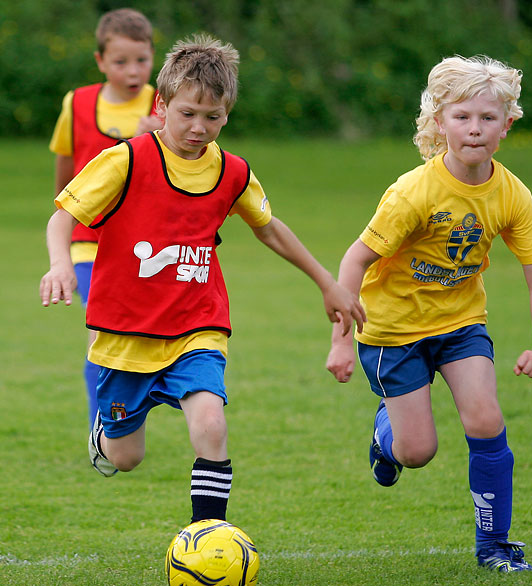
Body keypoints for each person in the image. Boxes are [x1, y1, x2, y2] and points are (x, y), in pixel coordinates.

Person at [40, 34, 365, 526]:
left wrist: (326, 281)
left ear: (227, 115)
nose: (198, 128)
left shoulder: (231, 172)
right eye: (187, 114)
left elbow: (269, 229)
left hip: (198, 323)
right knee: (125, 457)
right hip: (126, 328)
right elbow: (63, 215)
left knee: (211, 425)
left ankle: (208, 536)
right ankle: (105, 434)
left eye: (212, 118)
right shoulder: (127, 160)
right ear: (162, 104)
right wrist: (61, 264)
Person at [326, 55, 532, 572]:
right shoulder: (413, 193)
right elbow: (355, 260)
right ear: (438, 122)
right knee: (417, 452)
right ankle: (386, 437)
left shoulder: (513, 194)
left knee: (486, 417)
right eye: (461, 117)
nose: (474, 128)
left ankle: (495, 547)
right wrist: (342, 342)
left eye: (487, 118)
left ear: (506, 125)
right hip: (391, 332)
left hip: (460, 325)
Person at [49, 8, 162, 430]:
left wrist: (155, 140)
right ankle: (103, 425)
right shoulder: (76, 103)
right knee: (100, 336)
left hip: (146, 247)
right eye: (120, 62)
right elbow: (66, 167)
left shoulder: (167, 105)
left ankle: (126, 417)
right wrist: (67, 212)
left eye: (142, 60)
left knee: (140, 337)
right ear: (100, 61)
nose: (132, 71)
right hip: (88, 243)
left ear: (153, 56)